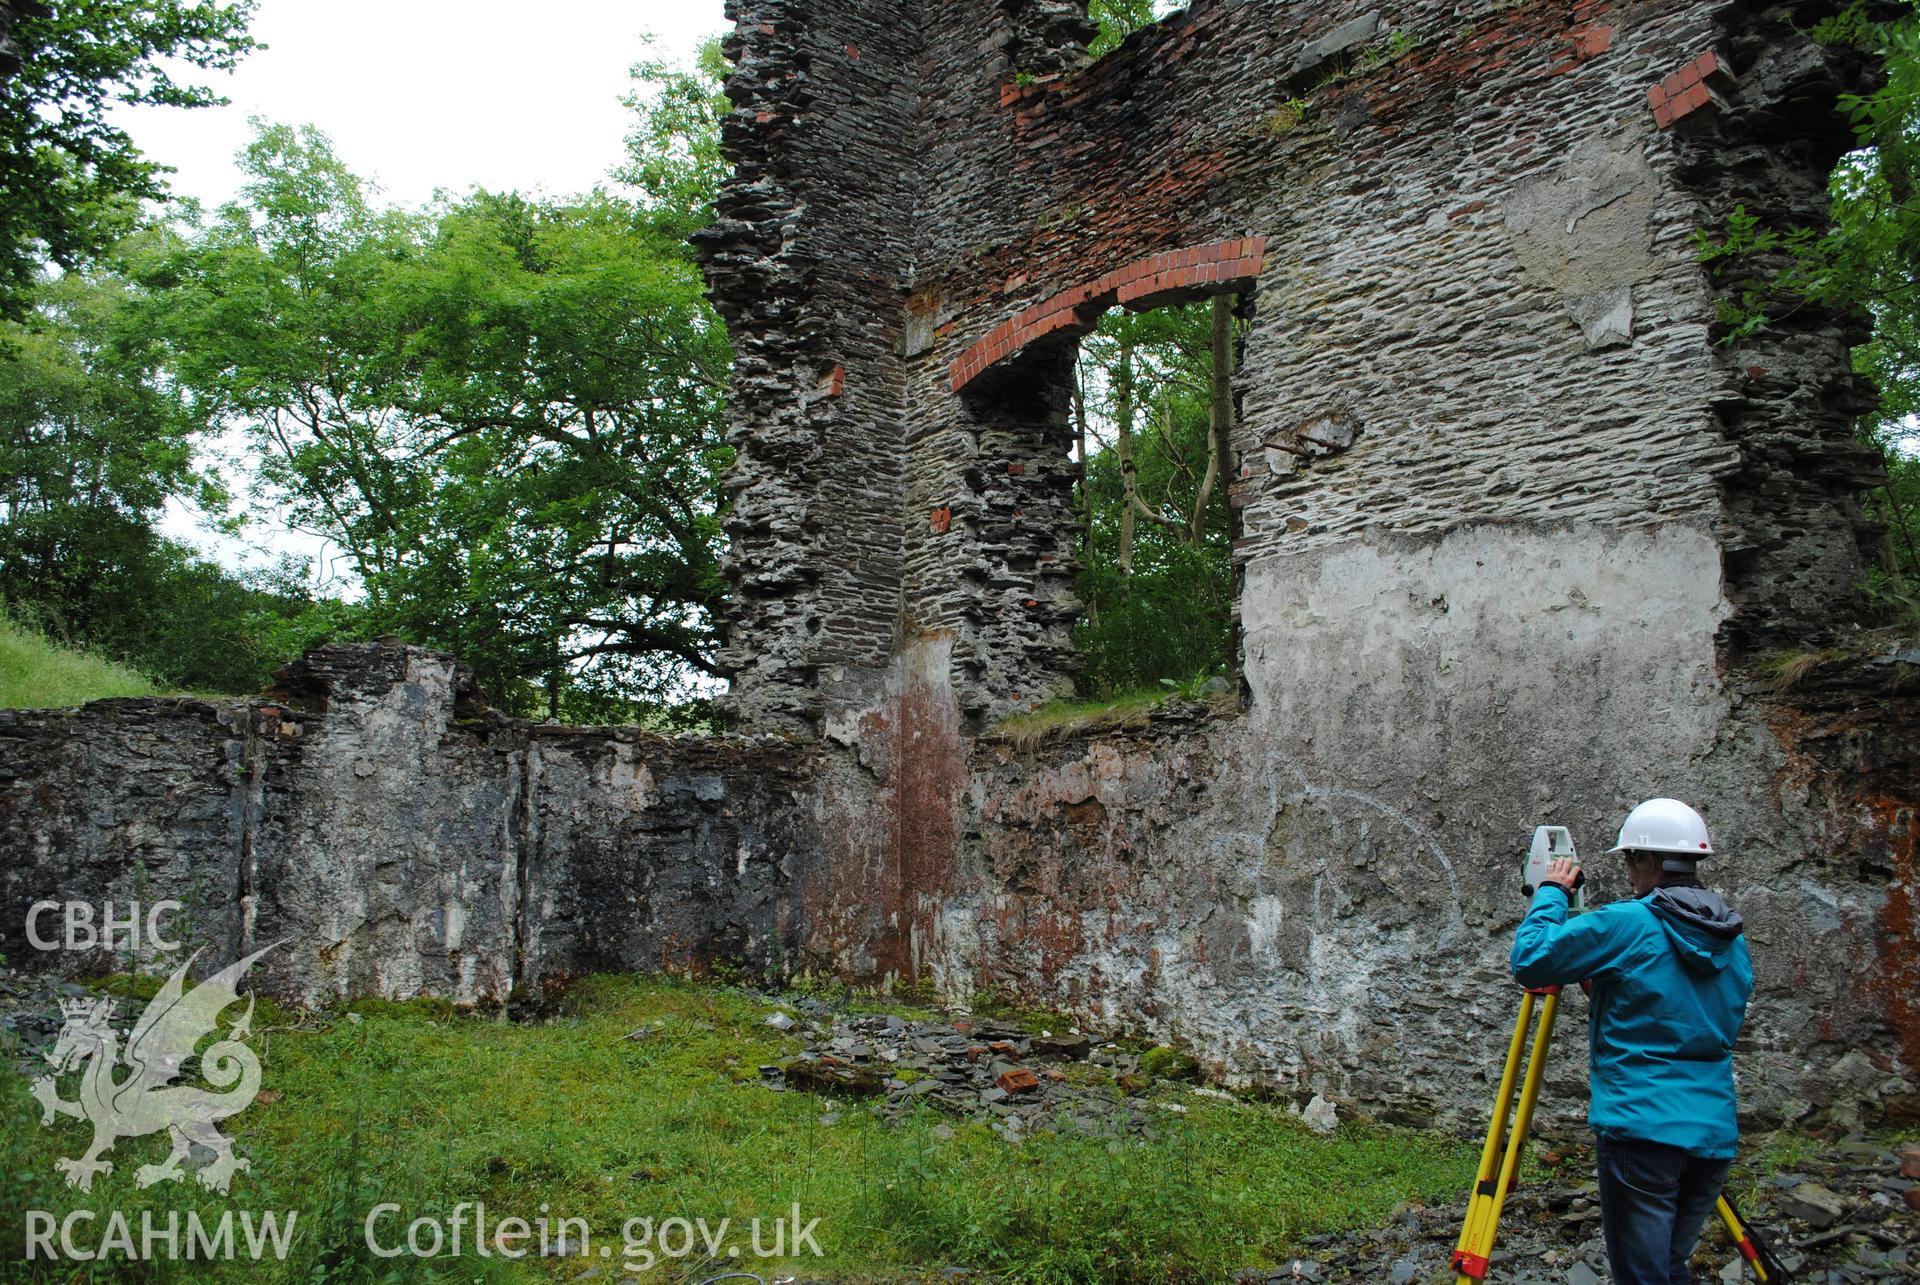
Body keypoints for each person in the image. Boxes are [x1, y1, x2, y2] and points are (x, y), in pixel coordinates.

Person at [1510, 798, 1754, 1285]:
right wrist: (1606, 982)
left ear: (1648, 861)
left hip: (1643, 1132)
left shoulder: (1630, 923)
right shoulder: (1730, 936)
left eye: (1629, 861)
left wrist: (1552, 893)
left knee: (1643, 1277)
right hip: (1711, 1134)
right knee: (1666, 1268)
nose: (1627, 875)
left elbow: (1531, 960)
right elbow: (1680, 1006)